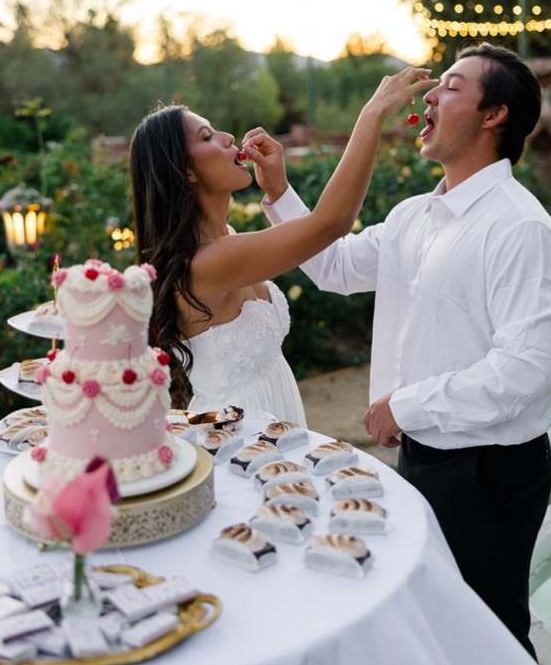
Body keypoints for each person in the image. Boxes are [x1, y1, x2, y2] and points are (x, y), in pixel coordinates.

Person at [262, 42, 551, 657]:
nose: (429, 94)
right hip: (428, 455)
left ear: (494, 116)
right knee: (436, 624)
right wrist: (277, 189)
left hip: (489, 470)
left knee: (490, 639)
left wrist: (407, 404)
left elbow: (526, 370)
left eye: (451, 86)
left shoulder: (521, 229)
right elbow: (332, 265)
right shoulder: (414, 216)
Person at [128, 66, 437, 422]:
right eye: (208, 136)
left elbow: (322, 245)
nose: (229, 138)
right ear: (186, 171)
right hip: (242, 434)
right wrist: (373, 114)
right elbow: (331, 223)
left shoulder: (227, 237)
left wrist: (278, 188)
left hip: (277, 412)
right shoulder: (204, 263)